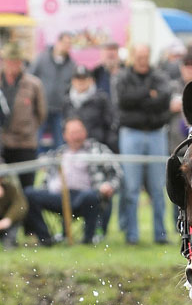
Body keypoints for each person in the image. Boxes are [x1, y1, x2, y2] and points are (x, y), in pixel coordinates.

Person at [23, 117, 122, 245]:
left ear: (85, 132)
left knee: (91, 196)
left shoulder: (98, 150)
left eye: (80, 132)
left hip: (84, 196)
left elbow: (117, 173)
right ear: (65, 135)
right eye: (73, 133)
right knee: (29, 193)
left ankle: (88, 239)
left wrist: (109, 186)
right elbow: (44, 176)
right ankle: (46, 239)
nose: (77, 136)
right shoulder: (59, 153)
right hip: (58, 196)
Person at [115, 43, 171, 244]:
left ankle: (160, 233)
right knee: (131, 187)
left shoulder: (159, 76)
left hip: (156, 133)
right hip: (131, 133)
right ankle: (131, 234)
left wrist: (139, 98)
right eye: (139, 57)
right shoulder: (123, 77)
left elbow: (164, 99)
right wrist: (148, 94)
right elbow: (123, 100)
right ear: (133, 57)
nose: (142, 61)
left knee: (158, 187)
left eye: (145, 57)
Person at [0, 42, 47, 190]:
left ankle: (27, 213)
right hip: (2, 143)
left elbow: (41, 113)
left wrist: (28, 128)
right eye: (9, 60)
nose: (13, 64)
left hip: (25, 143)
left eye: (16, 60)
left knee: (27, 188)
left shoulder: (34, 84)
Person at [30, 32, 76, 151]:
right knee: (35, 140)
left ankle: (59, 168)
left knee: (60, 143)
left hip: (59, 109)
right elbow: (30, 77)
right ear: (58, 42)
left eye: (69, 44)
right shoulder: (42, 58)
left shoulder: (71, 65)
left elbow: (72, 87)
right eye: (65, 43)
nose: (67, 46)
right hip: (41, 107)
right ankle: (37, 166)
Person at [62, 65, 117, 152]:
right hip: (74, 148)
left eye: (84, 79)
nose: (81, 82)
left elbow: (110, 123)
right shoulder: (67, 101)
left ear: (91, 80)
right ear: (73, 81)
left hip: (96, 147)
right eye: (78, 79)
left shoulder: (101, 99)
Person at [0, 169, 28, 248]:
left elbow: (21, 205)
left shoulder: (10, 188)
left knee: (16, 218)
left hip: (5, 222)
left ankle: (9, 241)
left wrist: (8, 219)